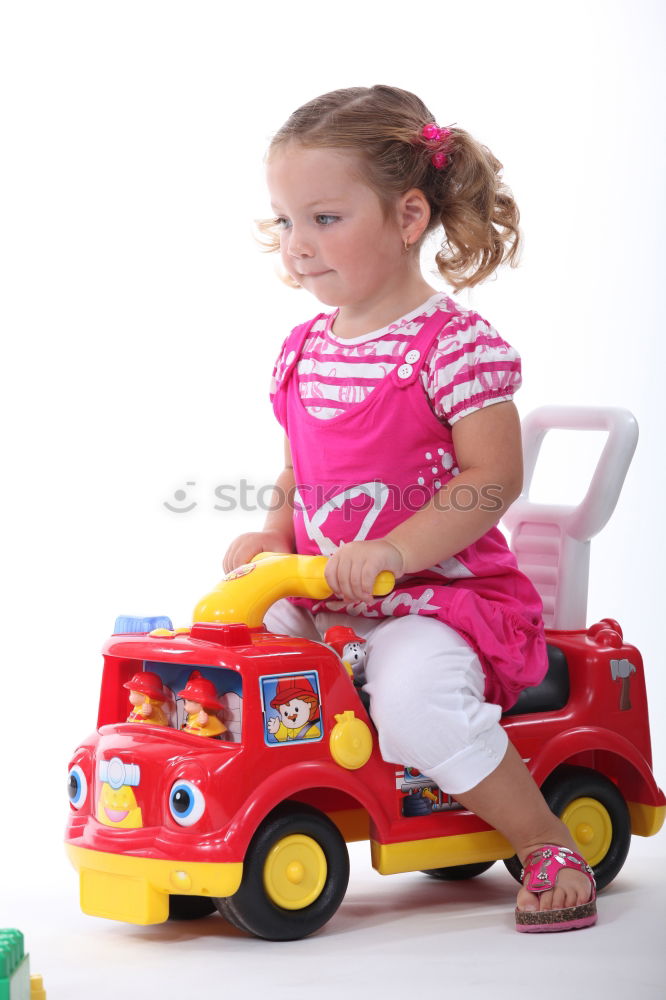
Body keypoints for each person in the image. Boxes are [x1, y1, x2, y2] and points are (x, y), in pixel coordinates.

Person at [223, 85, 596, 932]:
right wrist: (274, 530)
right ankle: (235, 825)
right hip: (327, 590)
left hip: (441, 599)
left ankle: (543, 840)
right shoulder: (305, 348)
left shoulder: (451, 344)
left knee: (415, 699)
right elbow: (297, 467)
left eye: (323, 219)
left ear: (407, 217)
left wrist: (395, 549)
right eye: (285, 223)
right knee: (238, 663)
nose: (298, 246)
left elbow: (490, 478)